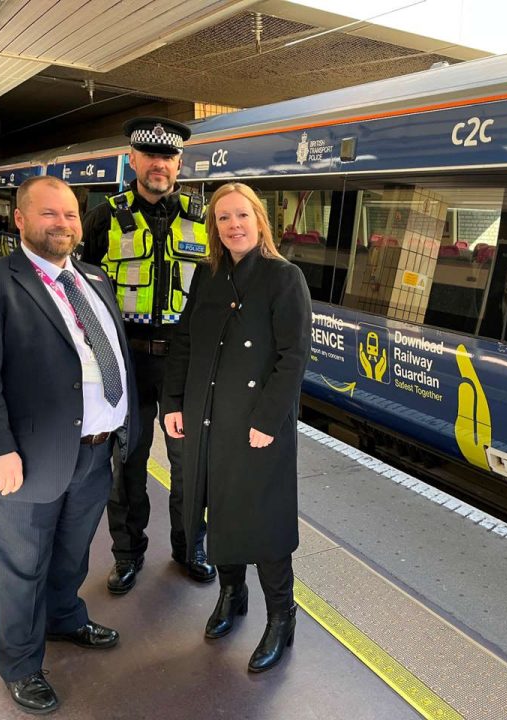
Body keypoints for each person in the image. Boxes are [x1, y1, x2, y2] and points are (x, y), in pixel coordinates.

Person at [0, 175, 139, 714]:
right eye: (50, 213)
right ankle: (20, 663)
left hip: (95, 451)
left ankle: (64, 618)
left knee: (73, 552)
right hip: (25, 458)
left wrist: (128, 428)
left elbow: (113, 359)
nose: (64, 224)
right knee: (20, 566)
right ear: (22, 220)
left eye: (72, 214)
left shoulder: (95, 279)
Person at [163, 182, 312, 672]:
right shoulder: (207, 277)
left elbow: (293, 358)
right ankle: (231, 596)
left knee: (263, 521)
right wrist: (174, 402)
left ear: (259, 220)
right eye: (223, 218)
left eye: (241, 215)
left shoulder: (283, 277)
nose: (233, 225)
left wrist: (268, 420)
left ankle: (281, 616)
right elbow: (184, 341)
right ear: (214, 228)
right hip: (209, 418)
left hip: (258, 426)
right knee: (218, 508)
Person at [80, 116, 215, 594]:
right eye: (150, 156)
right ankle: (127, 553)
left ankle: (189, 547)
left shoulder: (204, 221)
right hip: (127, 361)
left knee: (188, 460)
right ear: (132, 160)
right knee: (128, 462)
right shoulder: (103, 218)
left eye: (168, 157)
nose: (159, 165)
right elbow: (82, 293)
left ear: (179, 163)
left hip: (185, 363)